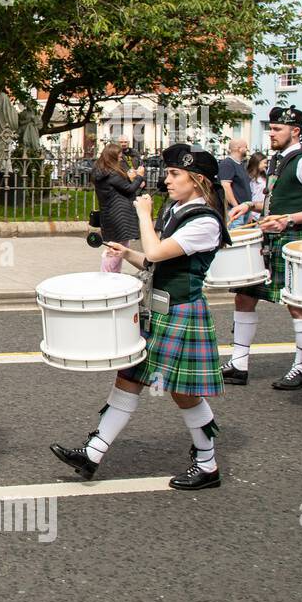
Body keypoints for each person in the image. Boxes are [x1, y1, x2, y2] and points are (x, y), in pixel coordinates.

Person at [52, 144, 231, 490]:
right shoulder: (180, 210)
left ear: (197, 181)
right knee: (129, 377)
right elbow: (152, 260)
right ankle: (93, 452)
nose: (168, 179)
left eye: (175, 174)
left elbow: (157, 250)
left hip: (181, 312)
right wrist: (127, 253)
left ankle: (208, 464)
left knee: (184, 393)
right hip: (159, 310)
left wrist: (144, 218)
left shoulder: (205, 221)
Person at [223, 106, 302, 390]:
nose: (271, 133)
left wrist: (287, 220)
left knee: (296, 304)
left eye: (277, 129)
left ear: (295, 131)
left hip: (291, 240)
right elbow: (277, 202)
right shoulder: (277, 160)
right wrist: (250, 205)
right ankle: (239, 363)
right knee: (244, 296)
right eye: (270, 128)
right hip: (267, 238)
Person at [93, 142, 146, 273]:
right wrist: (139, 177)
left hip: (109, 214)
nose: (121, 158)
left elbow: (117, 187)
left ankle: (113, 275)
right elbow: (129, 189)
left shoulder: (101, 171)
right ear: (112, 156)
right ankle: (108, 275)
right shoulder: (112, 173)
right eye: (119, 156)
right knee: (117, 248)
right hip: (120, 214)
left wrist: (129, 177)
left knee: (117, 246)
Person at [218, 138, 252, 213]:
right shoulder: (227, 164)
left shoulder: (241, 164)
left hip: (244, 209)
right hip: (234, 210)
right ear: (239, 149)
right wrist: (236, 206)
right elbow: (226, 186)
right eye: (245, 147)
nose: (247, 149)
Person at [245, 152, 267, 223]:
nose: (266, 165)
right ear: (257, 163)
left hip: (263, 211)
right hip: (254, 214)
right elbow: (251, 196)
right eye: (264, 163)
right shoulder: (250, 178)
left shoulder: (264, 176)